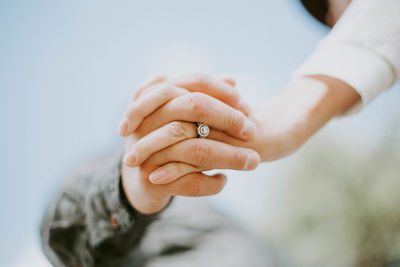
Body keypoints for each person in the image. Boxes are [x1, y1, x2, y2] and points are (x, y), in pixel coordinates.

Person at [40, 0, 400, 266]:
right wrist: (125, 186)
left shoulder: (232, 223)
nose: (344, 19)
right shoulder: (126, 185)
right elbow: (65, 234)